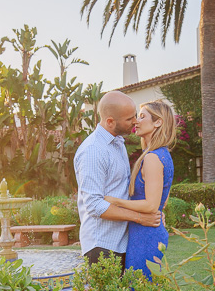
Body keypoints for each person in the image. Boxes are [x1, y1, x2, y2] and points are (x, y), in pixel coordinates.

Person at [74, 91, 161, 269]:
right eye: (130, 119)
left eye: (136, 115)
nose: (136, 121)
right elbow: (94, 205)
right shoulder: (93, 151)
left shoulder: (117, 142)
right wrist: (139, 218)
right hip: (102, 246)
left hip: (122, 242)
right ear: (110, 122)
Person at [104, 100, 175, 280]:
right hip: (145, 232)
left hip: (145, 236)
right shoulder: (162, 155)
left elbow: (152, 205)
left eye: (142, 116)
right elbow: (162, 201)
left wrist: (115, 201)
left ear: (158, 122)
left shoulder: (152, 158)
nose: (136, 121)